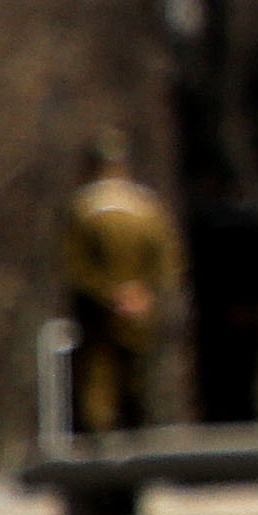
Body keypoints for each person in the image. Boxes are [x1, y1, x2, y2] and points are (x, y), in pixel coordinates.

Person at [56, 132, 182, 440]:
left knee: (94, 387)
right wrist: (140, 294)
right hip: (138, 311)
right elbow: (166, 261)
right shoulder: (146, 207)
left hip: (97, 312)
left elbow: (75, 265)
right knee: (138, 383)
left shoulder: (82, 207)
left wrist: (109, 293)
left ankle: (97, 460)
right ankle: (139, 447)